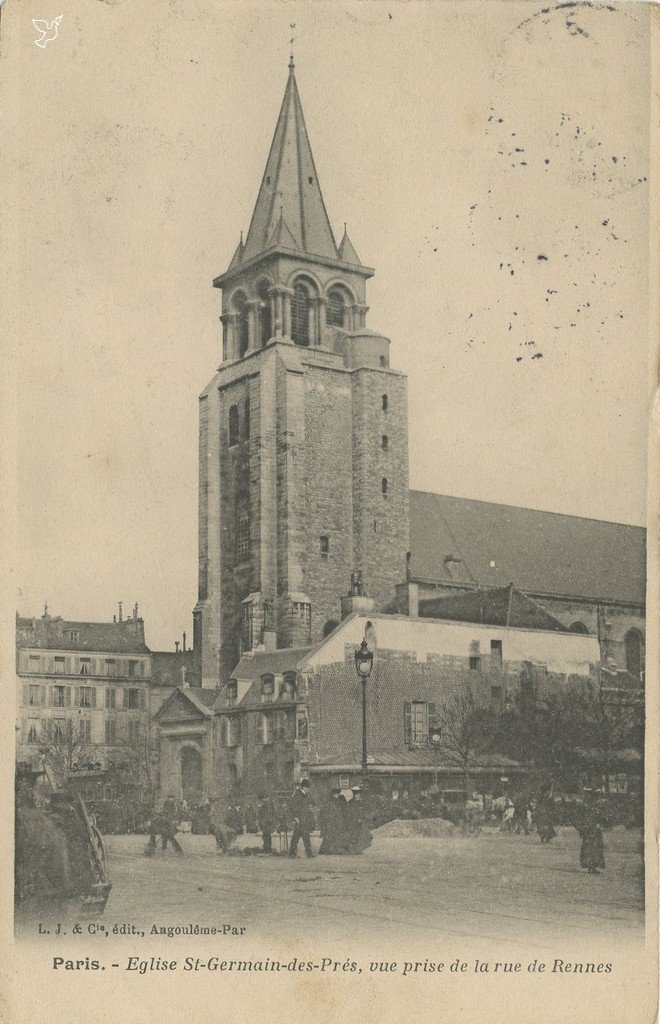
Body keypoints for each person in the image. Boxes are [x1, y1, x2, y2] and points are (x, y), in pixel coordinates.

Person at [576, 799, 606, 874]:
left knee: (593, 849)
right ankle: (591, 867)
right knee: (591, 849)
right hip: (591, 832)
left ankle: (592, 867)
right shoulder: (590, 809)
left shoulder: (592, 809)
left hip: (593, 832)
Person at [288, 779, 315, 858]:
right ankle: (293, 854)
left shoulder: (306, 794)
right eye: (308, 787)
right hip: (299, 819)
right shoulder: (297, 794)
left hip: (305, 819)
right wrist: (295, 817)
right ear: (303, 787)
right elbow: (293, 807)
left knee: (305, 836)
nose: (309, 788)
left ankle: (308, 854)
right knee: (296, 837)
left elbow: (311, 803)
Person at [319, 788, 348, 854]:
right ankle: (325, 850)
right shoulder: (328, 802)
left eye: (338, 794)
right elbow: (324, 812)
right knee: (329, 836)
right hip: (330, 821)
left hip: (337, 821)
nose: (337, 795)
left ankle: (335, 850)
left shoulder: (338, 801)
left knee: (336, 836)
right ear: (333, 794)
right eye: (336, 794)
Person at [345, 786, 372, 853]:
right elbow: (350, 812)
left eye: (359, 794)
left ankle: (359, 849)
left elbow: (364, 811)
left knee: (361, 835)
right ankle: (352, 850)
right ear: (354, 794)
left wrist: (363, 818)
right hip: (353, 821)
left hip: (361, 821)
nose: (358, 795)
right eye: (356, 794)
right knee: (353, 835)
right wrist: (356, 819)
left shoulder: (362, 802)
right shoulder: (350, 803)